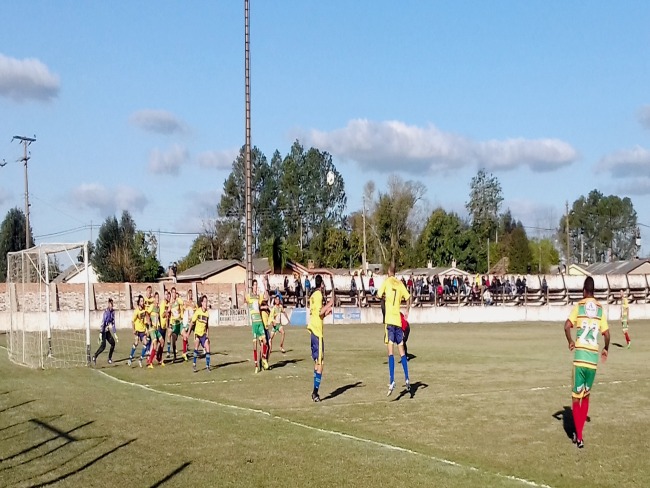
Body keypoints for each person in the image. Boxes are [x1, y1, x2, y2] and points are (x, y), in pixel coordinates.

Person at [563, 276, 610, 449]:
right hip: (592, 361)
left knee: (575, 398)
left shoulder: (579, 306)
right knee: (586, 396)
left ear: (584, 290)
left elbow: (566, 326)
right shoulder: (599, 309)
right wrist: (606, 349)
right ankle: (580, 433)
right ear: (594, 291)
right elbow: (607, 334)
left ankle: (579, 436)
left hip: (580, 358)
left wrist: (570, 341)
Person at [377, 263, 412, 396]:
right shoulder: (400, 284)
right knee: (402, 351)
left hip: (390, 322)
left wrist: (384, 297)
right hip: (398, 321)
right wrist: (407, 311)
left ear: (388, 272)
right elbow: (408, 298)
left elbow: (378, 295)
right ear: (395, 272)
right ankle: (407, 378)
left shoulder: (386, 282)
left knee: (390, 352)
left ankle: (392, 380)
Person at [308, 274, 334, 402]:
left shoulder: (312, 296)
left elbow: (319, 315)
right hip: (317, 333)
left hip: (313, 331)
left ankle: (314, 390)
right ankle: (315, 392)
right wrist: (329, 303)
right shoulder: (318, 295)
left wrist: (326, 313)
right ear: (321, 284)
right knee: (321, 364)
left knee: (316, 363)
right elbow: (319, 312)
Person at [247, 279, 269, 373]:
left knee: (265, 342)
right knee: (255, 346)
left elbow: (266, 298)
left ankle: (264, 358)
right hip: (254, 323)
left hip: (260, 322)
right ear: (252, 286)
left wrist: (265, 285)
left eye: (256, 285)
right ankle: (256, 365)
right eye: (254, 285)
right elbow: (245, 299)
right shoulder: (249, 296)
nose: (256, 286)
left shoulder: (258, 296)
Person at [188, 295, 211, 372]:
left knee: (208, 347)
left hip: (204, 334)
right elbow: (192, 322)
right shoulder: (198, 311)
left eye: (206, 301)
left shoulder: (207, 314)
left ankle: (207, 366)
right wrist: (188, 333)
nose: (206, 303)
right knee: (196, 349)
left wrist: (207, 334)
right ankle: (194, 364)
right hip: (197, 334)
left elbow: (207, 325)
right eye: (204, 301)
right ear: (201, 303)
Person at [92, 298, 117, 365]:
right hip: (103, 331)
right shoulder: (106, 312)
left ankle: (109, 359)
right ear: (108, 304)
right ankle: (94, 356)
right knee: (103, 346)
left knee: (113, 343)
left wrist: (114, 333)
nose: (112, 305)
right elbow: (103, 322)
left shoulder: (113, 312)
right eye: (110, 304)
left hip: (107, 331)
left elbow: (113, 322)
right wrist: (101, 333)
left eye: (112, 304)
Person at [128, 295, 149, 367]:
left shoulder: (144, 309)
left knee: (145, 343)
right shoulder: (136, 311)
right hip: (137, 330)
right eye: (141, 301)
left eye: (143, 301)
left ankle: (140, 359)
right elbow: (132, 321)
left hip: (142, 330)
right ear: (139, 302)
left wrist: (146, 329)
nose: (143, 303)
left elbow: (145, 320)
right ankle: (130, 358)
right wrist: (133, 330)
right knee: (136, 343)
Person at [147, 292, 165, 368]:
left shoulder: (158, 308)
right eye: (156, 298)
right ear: (154, 298)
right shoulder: (152, 306)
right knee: (154, 344)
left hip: (156, 329)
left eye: (158, 298)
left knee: (162, 342)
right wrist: (149, 322)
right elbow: (147, 313)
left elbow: (158, 317)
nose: (158, 299)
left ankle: (158, 357)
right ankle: (150, 362)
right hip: (152, 329)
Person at [168, 287, 185, 361]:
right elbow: (168, 312)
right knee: (173, 342)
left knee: (185, 336)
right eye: (173, 293)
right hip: (174, 325)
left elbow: (183, 303)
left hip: (180, 323)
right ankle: (175, 356)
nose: (174, 294)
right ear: (171, 294)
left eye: (175, 292)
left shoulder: (178, 301)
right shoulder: (170, 303)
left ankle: (184, 353)